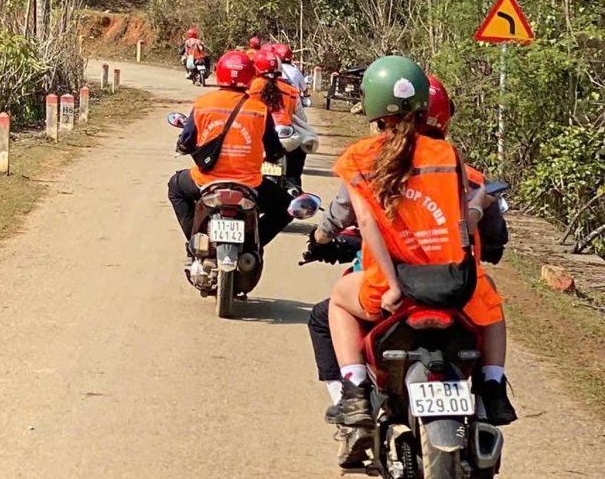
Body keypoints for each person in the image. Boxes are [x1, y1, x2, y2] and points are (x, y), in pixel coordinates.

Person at [305, 74, 512, 466]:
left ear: (373, 109)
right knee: (493, 298)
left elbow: (362, 222)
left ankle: (354, 393)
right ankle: (492, 387)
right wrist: (476, 208)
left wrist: (394, 282)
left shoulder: (362, 158)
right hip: (456, 286)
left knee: (337, 301)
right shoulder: (451, 159)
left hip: (392, 287)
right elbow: (471, 225)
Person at [166, 50, 293, 263]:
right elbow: (273, 149)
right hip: (249, 184)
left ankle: (195, 241)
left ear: (218, 73)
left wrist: (182, 146)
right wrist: (273, 155)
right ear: (250, 76)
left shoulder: (203, 103)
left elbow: (187, 140)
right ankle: (253, 243)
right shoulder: (259, 109)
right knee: (286, 207)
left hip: (206, 181)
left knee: (175, 188)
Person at [251, 48, 313, 192]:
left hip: (257, 136)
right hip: (285, 138)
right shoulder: (290, 89)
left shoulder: (250, 88)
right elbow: (301, 117)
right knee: (300, 149)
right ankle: (294, 181)